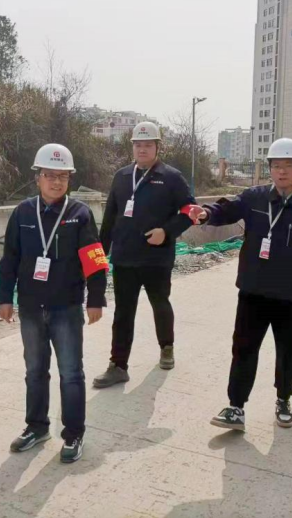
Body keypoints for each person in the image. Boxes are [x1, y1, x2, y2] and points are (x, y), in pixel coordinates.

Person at [188, 138, 292, 431]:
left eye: (288, 166)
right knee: (243, 348)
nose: (282, 171)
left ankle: (283, 400)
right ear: (270, 169)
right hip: (253, 290)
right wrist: (206, 213)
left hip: (289, 295)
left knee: (287, 351)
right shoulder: (254, 198)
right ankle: (236, 407)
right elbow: (226, 209)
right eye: (276, 166)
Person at [0, 144, 108, 463]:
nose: (56, 182)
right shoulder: (22, 213)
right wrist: (5, 297)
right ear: (38, 178)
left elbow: (95, 260)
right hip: (31, 307)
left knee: (71, 373)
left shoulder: (80, 214)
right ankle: (36, 427)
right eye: (50, 175)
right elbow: (10, 259)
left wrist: (96, 298)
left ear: (69, 179)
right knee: (35, 370)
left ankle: (73, 434)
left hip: (66, 307)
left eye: (63, 176)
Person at [92, 122, 196, 388]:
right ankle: (118, 365)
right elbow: (109, 218)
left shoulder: (171, 177)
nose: (142, 149)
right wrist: (100, 257)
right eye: (138, 145)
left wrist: (167, 232)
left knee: (160, 304)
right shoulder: (122, 176)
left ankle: (167, 347)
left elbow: (190, 211)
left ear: (157, 147)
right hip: (124, 258)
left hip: (156, 259)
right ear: (132, 147)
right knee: (123, 313)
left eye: (148, 145)